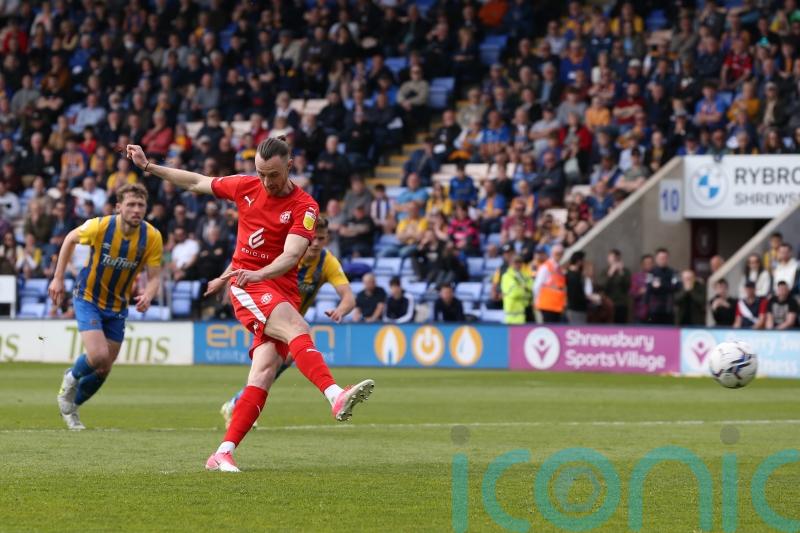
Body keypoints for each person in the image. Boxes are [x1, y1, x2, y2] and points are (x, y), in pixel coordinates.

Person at [125, 138, 373, 473]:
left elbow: (289, 257)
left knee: (264, 373)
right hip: (247, 286)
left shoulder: (305, 206)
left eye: (272, 174)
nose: (266, 181)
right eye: (260, 173)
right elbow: (197, 181)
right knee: (298, 328)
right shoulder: (246, 186)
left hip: (276, 286)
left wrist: (258, 274)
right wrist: (149, 167)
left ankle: (222, 453)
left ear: (290, 164)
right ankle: (334, 395)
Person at [214, 217, 356, 429]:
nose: (316, 243)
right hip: (267, 310)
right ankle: (237, 407)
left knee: (272, 367)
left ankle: (237, 405)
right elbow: (243, 258)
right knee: (271, 365)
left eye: (321, 239)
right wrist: (224, 279)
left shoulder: (327, 262)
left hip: (291, 323)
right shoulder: (286, 251)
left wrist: (340, 310)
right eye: (313, 238)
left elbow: (349, 298)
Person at [51, 184, 163, 430]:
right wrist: (58, 277)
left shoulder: (152, 237)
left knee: (104, 368)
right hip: (88, 297)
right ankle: (70, 378)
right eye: (131, 205)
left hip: (118, 305)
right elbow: (70, 238)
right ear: (118, 207)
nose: (136, 210)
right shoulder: (100, 226)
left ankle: (71, 409)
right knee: (98, 355)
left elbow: (155, 276)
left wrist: (149, 294)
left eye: (140, 205)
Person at [534, 244, 566, 323]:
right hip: (547, 305)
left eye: (560, 253)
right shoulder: (546, 267)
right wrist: (536, 301)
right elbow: (537, 286)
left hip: (557, 306)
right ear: (552, 253)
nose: (559, 256)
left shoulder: (559, 268)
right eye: (557, 253)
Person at [500, 253, 532, 324]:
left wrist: (523, 288)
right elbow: (515, 293)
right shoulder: (507, 276)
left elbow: (532, 289)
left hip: (525, 311)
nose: (518, 265)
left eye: (520, 262)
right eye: (515, 262)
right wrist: (525, 289)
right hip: (512, 316)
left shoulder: (525, 275)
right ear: (510, 263)